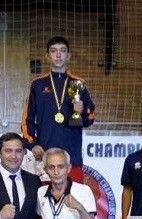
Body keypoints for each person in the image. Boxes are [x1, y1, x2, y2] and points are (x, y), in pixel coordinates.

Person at [21, 36, 95, 183]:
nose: (58, 55)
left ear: (68, 55)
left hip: (72, 157)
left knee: (72, 197)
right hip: (45, 156)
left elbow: (90, 117)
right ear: (47, 56)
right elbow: (27, 120)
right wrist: (33, 144)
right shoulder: (37, 85)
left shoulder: (78, 83)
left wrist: (81, 112)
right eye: (54, 51)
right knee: (45, 197)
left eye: (63, 51)